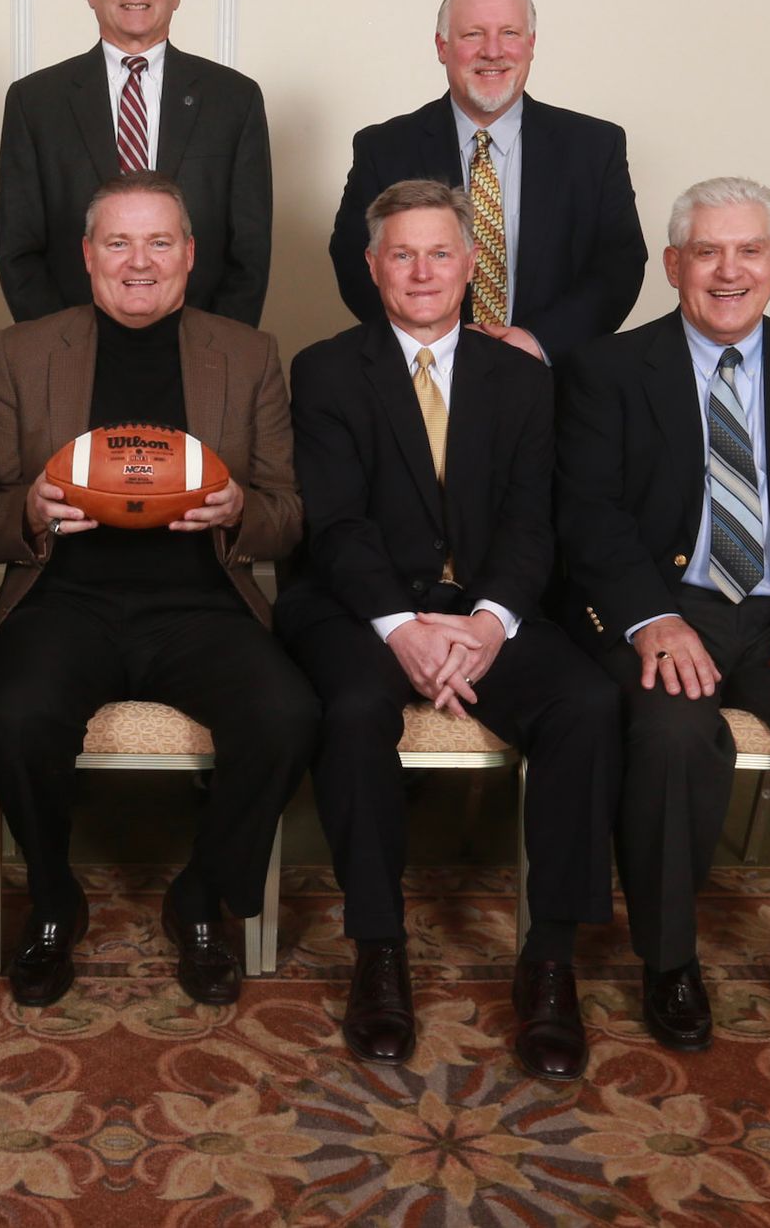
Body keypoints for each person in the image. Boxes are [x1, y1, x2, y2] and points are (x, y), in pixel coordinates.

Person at [556, 176, 770, 1058]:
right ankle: (669, 958)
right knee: (674, 738)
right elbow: (588, 517)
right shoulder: (607, 370)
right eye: (707, 251)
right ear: (673, 264)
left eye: (749, 250)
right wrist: (647, 618)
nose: (728, 271)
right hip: (670, 607)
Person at [280, 179, 618, 1082]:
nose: (423, 271)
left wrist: (490, 623)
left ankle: (549, 961)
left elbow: (532, 523)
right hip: (360, 608)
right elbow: (335, 525)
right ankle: (379, 948)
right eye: (403, 254)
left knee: (586, 703)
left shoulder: (522, 377)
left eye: (440, 253)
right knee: (354, 711)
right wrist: (401, 628)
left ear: (471, 265)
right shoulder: (324, 370)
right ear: (372, 267)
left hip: (484, 608)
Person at [0, 171, 317, 1010]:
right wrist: (28, 509)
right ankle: (53, 897)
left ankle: (201, 896)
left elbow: (289, 513)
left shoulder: (249, 354)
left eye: (159, 242)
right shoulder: (23, 351)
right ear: (87, 254)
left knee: (286, 714)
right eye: (119, 242)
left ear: (190, 254)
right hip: (64, 600)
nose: (140, 262)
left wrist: (241, 509)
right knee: (15, 714)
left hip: (201, 606)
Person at [328, 0, 646, 362]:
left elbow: (619, 267)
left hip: (557, 379)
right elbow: (356, 263)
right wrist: (435, 346)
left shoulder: (594, 147)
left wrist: (538, 342)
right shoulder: (384, 148)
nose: (493, 51)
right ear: (442, 46)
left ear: (531, 44)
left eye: (509, 33)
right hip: (425, 377)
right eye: (473, 34)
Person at [0, 0, 271, 326]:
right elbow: (18, 250)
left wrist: (216, 347)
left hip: (203, 344)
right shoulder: (34, 103)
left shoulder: (234, 100)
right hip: (70, 343)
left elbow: (249, 252)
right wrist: (61, 345)